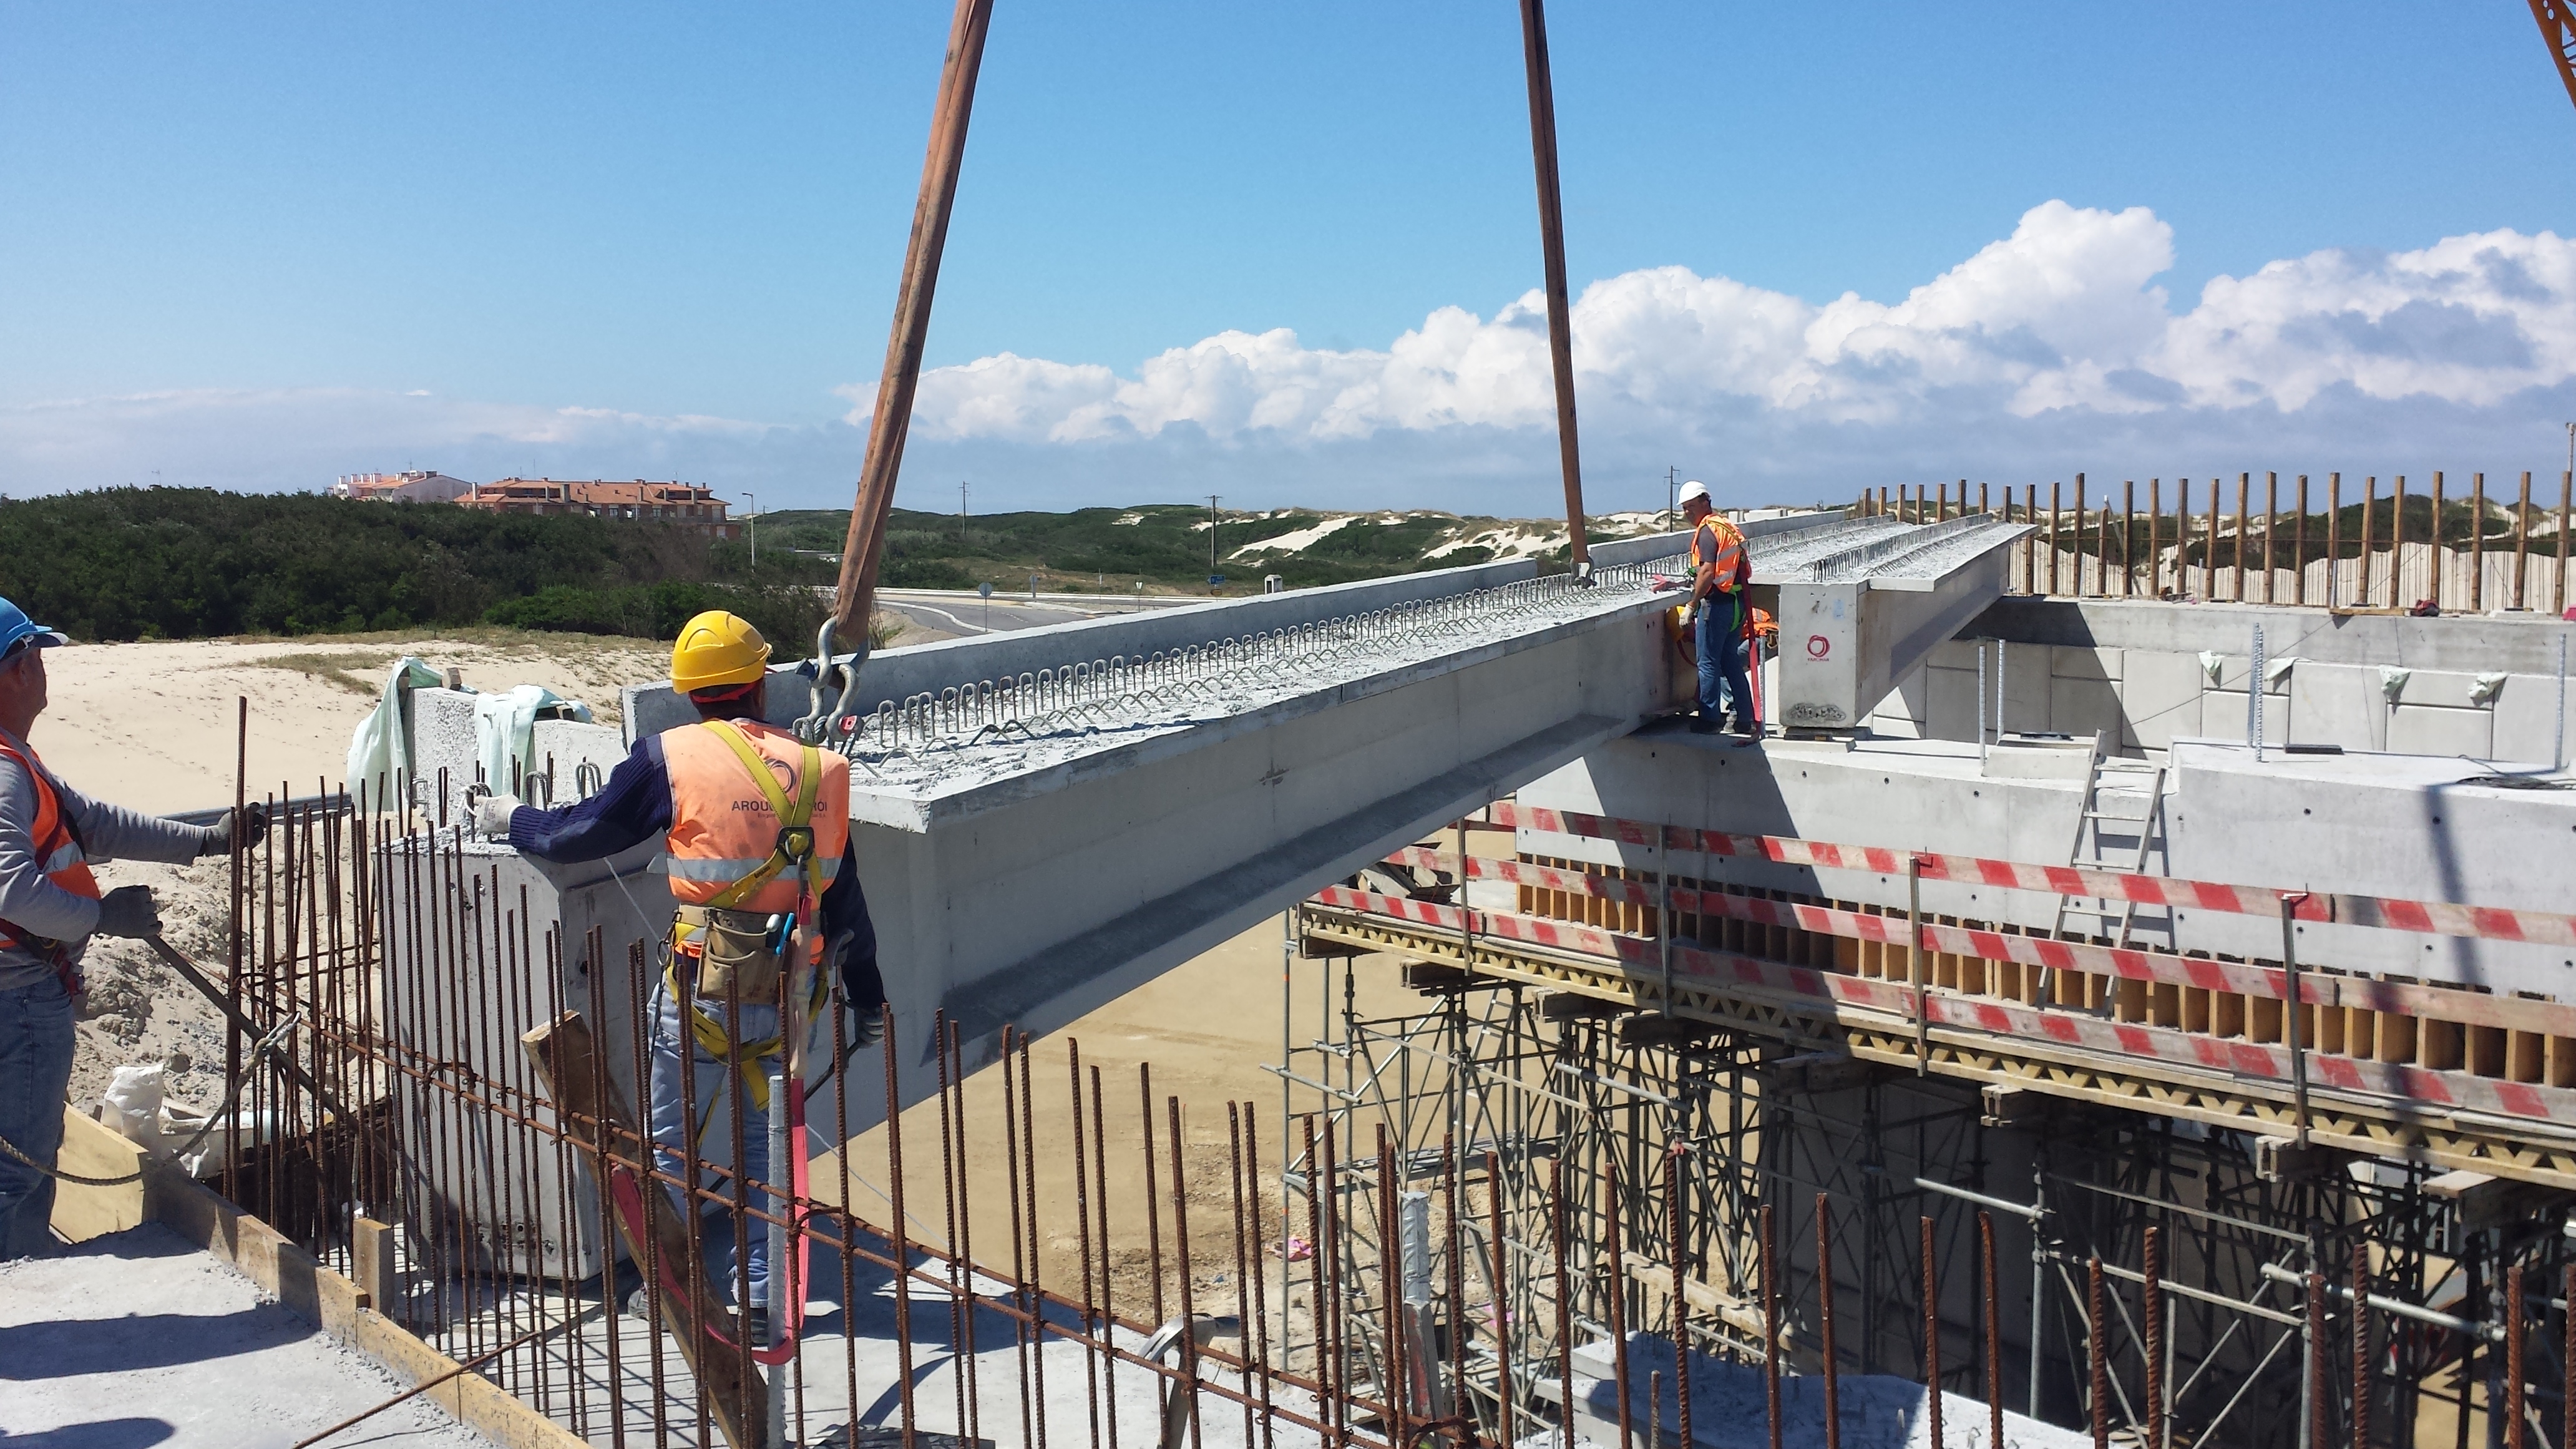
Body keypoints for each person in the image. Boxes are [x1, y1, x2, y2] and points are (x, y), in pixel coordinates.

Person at [476, 610, 884, 1342]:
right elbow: (846, 899)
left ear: (691, 694)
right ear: (759, 685)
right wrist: (872, 999)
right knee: (769, 1150)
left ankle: (667, 1287)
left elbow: (579, 836)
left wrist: (513, 817)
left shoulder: (668, 756)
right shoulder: (828, 770)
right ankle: (764, 1303)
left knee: (668, 1145)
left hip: (702, 990)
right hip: (792, 993)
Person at [0, 596, 263, 1257]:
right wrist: (101, 917)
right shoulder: (2, 774)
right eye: (38, 656)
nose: (44, 670)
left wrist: (206, 842)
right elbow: (9, 887)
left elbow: (97, 822)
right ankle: (25, 1295)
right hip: (18, 998)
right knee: (20, 1171)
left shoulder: (18, 763)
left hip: (22, 991)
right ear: (16, 670)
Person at [1652, 481, 1761, 739]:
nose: (1688, 513)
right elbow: (1718, 571)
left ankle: (1709, 719)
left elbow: (1709, 571)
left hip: (1716, 606)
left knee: (1708, 664)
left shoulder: (1706, 532)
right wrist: (1680, 582)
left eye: (1692, 507)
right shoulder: (1726, 527)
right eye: (1685, 508)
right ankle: (1745, 719)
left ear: (1706, 501)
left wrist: (1690, 606)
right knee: (1731, 663)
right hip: (1735, 604)